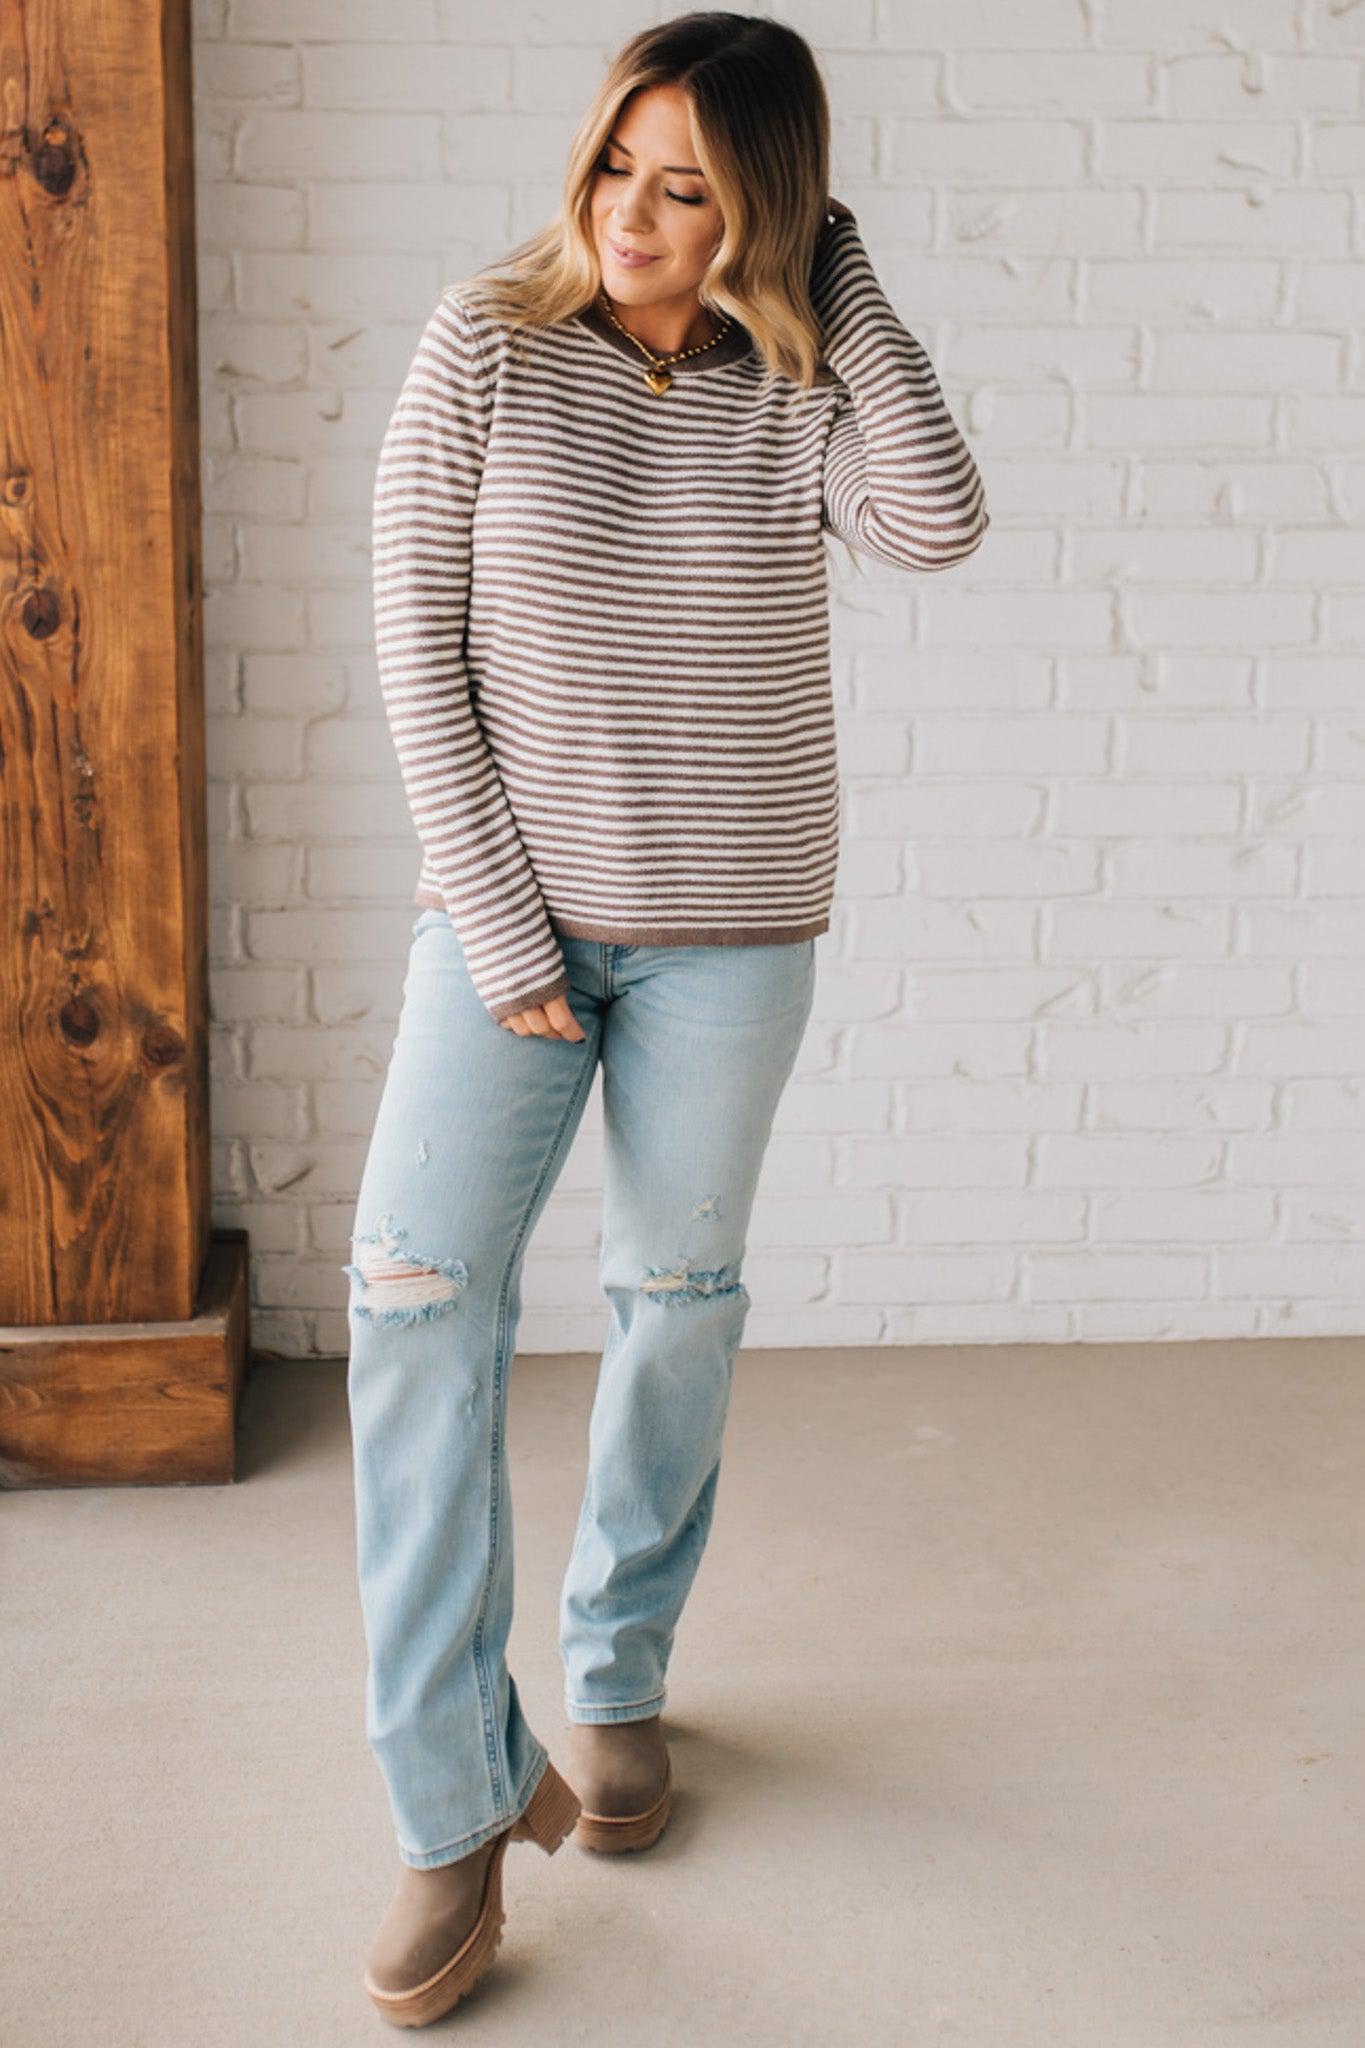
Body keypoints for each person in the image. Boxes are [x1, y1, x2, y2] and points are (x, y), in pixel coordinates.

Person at [344, 8, 988, 2025]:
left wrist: (839, 268)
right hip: (504, 926)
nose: (631, 213)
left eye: (690, 185)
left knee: (673, 1294)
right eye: (617, 165)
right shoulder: (485, 342)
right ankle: (454, 1797)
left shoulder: (796, 384)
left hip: (732, 935)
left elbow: (940, 519)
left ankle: (615, 1679)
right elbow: (414, 651)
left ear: (764, 210)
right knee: (415, 1297)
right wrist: (508, 923)